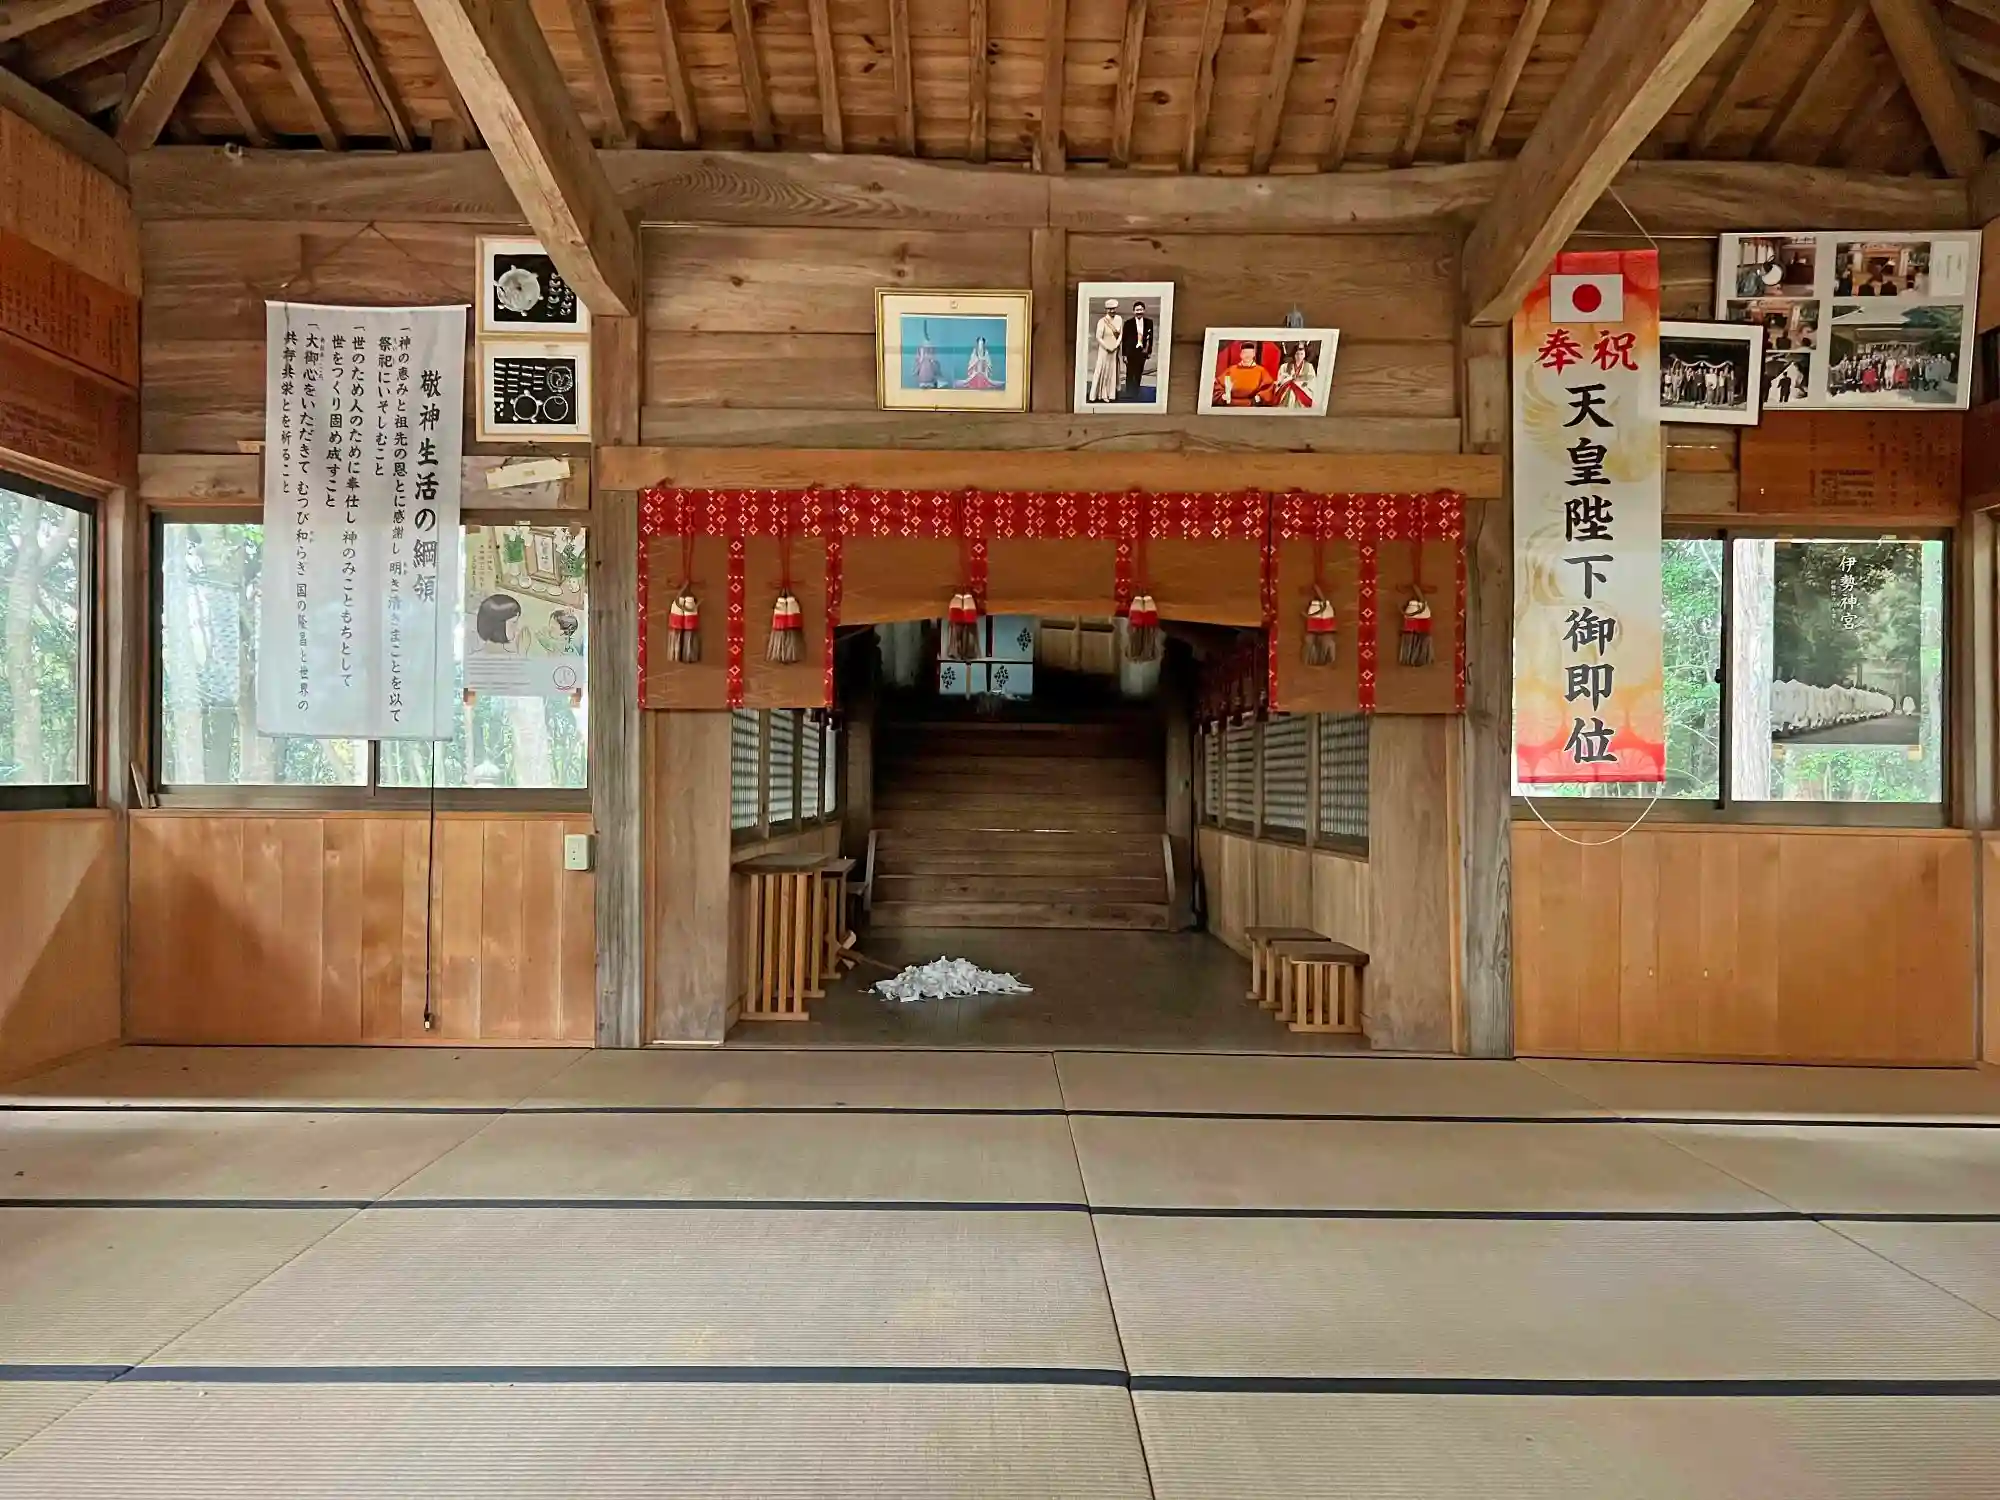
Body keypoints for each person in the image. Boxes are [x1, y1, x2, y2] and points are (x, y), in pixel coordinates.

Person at [1213, 341, 1275, 406]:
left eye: (1250, 353)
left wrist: (1259, 397)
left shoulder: (1261, 371)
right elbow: (1218, 384)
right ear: (1241, 354)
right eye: (1245, 353)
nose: (1247, 355)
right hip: (1230, 404)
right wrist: (1223, 396)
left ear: (1254, 354)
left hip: (1252, 406)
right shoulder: (1231, 370)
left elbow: (1268, 388)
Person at [1120, 300, 1155, 399]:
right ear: (1133, 311)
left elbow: (1151, 338)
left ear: (1144, 310)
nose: (1139, 312)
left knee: (1139, 372)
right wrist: (1124, 354)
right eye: (1137, 310)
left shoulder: (1149, 322)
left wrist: (1149, 351)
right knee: (1130, 373)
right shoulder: (1128, 323)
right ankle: (1129, 393)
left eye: (1141, 310)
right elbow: (1124, 340)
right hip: (1131, 352)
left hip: (1142, 352)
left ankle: (1136, 393)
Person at [1089, 301, 1123, 403]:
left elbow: (1121, 334)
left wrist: (1116, 345)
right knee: (1103, 370)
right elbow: (1098, 337)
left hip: (1114, 349)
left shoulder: (1119, 319)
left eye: (1114, 308)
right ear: (1106, 309)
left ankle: (1110, 394)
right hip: (1104, 350)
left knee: (1112, 371)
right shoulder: (1102, 321)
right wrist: (1107, 347)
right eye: (1110, 309)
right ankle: (1101, 394)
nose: (1112, 311)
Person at [1271, 343, 1318, 408]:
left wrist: (1302, 383)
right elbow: (1280, 380)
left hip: (1302, 393)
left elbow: (1312, 381)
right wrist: (1289, 379)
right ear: (1294, 354)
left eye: (1301, 354)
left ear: (1305, 354)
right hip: (1287, 392)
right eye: (1297, 354)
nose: (1299, 356)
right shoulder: (1285, 366)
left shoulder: (1309, 367)